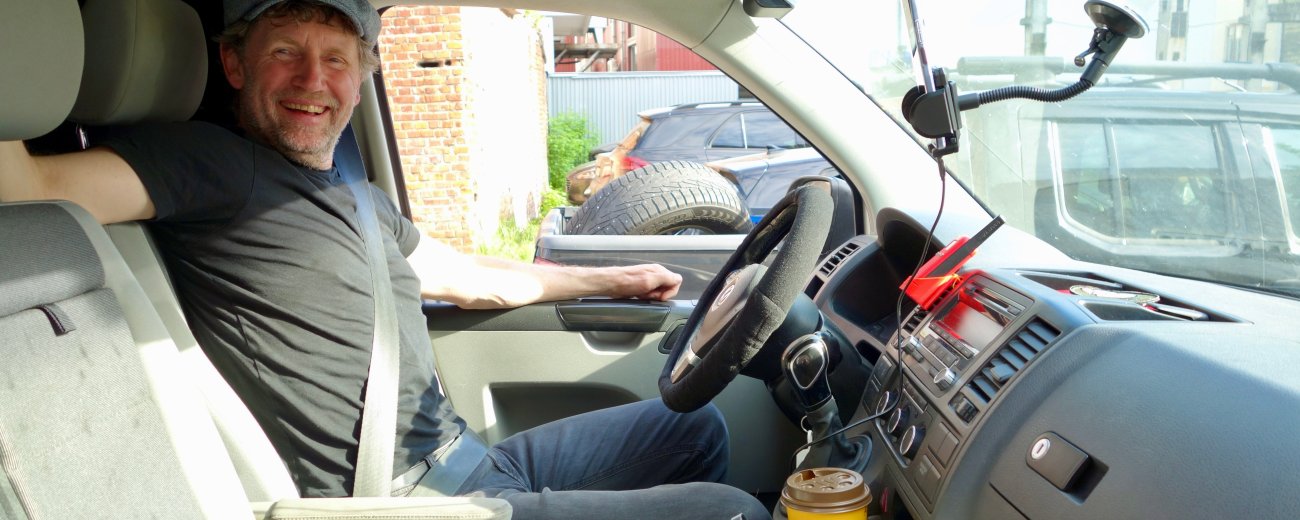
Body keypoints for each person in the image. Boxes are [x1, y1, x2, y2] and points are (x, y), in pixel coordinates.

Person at [0, 0, 770, 518]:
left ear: (365, 72)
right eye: (285, 53)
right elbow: (32, 187)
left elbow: (473, 279)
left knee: (695, 427)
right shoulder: (205, 164)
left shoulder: (359, 196)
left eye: (337, 59)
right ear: (235, 66)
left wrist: (614, 279)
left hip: (465, 459)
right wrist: (20, 73)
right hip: (403, 501)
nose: (313, 80)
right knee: (730, 512)